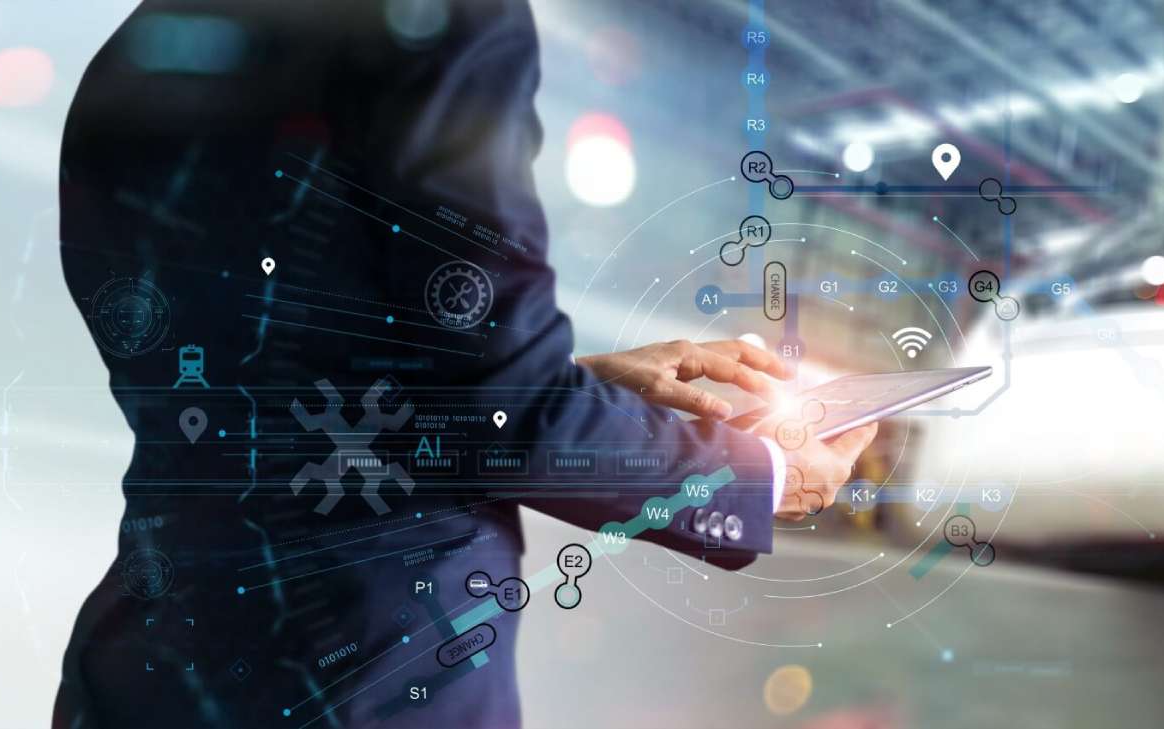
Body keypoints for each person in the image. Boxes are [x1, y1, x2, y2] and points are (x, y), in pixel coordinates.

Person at [48, 2, 870, 726]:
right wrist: (756, 473)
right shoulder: (440, 27)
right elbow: (506, 415)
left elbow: (269, 386)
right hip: (362, 674)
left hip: (143, 666)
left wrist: (575, 378)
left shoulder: (142, 48)